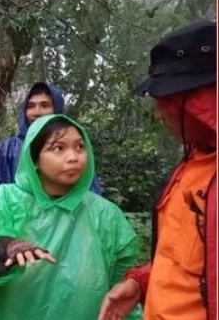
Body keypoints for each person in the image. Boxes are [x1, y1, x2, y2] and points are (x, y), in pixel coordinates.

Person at [0, 114, 142, 320]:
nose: (73, 157)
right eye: (59, 148)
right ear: (34, 160)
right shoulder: (7, 200)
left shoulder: (105, 215)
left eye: (80, 147)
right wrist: (3, 247)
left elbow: (123, 288)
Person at [98, 20, 216, 320]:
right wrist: (141, 283)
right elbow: (190, 264)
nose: (159, 113)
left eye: (166, 101)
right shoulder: (191, 167)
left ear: (200, 102)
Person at [0, 81, 103, 206]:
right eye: (30, 106)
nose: (36, 112)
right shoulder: (9, 147)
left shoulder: (73, 144)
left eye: (45, 105)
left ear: (56, 109)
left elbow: (89, 193)